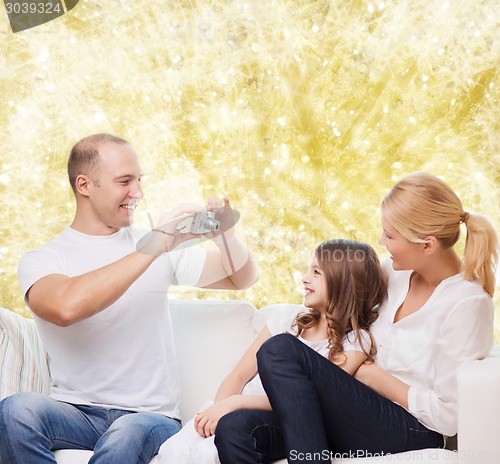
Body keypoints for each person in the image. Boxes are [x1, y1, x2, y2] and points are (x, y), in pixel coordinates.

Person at [0, 133, 259, 464]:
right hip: (76, 413)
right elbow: (66, 308)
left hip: (149, 419)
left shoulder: (157, 245)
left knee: (125, 436)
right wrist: (156, 244)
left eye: (139, 180)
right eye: (125, 181)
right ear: (84, 185)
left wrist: (228, 238)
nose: (138, 193)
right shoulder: (43, 260)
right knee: (15, 410)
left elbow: (241, 277)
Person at [215, 172, 498, 464]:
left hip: (410, 428)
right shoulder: (393, 274)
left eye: (390, 236)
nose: (381, 241)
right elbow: (343, 298)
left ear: (427, 245)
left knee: (280, 350)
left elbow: (447, 417)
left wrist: (373, 376)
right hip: (352, 408)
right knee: (234, 429)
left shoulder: (467, 304)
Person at [156, 238, 388, 464]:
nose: (305, 279)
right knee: (182, 450)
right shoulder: (288, 319)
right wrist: (220, 409)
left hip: (277, 421)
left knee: (218, 446)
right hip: (234, 408)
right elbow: (238, 376)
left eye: (316, 273)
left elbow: (305, 402)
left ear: (343, 282)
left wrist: (235, 404)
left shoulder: (356, 342)